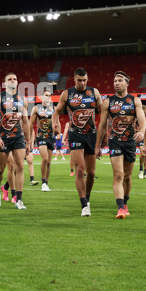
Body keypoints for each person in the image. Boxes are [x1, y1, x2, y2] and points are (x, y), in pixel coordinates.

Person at [53, 67, 103, 217]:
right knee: (80, 170)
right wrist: (55, 125)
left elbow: (104, 113)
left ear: (87, 79)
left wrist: (104, 133)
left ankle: (87, 198)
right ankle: (84, 204)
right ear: (74, 79)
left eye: (84, 80)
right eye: (79, 80)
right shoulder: (67, 94)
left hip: (91, 135)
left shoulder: (94, 92)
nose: (82, 83)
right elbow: (56, 112)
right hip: (75, 135)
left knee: (92, 173)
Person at [95, 71, 145, 219]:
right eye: (115, 81)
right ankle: (120, 207)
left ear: (127, 83)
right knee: (118, 175)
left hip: (130, 142)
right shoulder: (108, 102)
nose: (116, 83)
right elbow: (102, 126)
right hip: (115, 141)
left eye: (119, 80)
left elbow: (142, 121)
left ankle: (125, 202)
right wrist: (98, 146)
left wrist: (141, 132)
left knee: (128, 177)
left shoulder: (135, 101)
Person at [0, 72, 32, 210]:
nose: (12, 81)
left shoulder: (22, 99)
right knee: (0, 169)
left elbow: (25, 121)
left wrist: (28, 140)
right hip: (3, 136)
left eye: (15, 78)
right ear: (5, 83)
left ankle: (19, 199)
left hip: (18, 136)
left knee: (19, 166)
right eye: (9, 79)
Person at [29, 89, 56, 191]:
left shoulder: (54, 108)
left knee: (48, 162)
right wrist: (29, 138)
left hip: (51, 137)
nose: (48, 97)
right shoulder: (36, 108)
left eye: (49, 95)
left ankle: (46, 183)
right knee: (44, 159)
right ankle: (43, 181)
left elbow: (57, 122)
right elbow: (31, 124)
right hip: (41, 136)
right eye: (46, 95)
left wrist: (58, 132)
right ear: (41, 97)